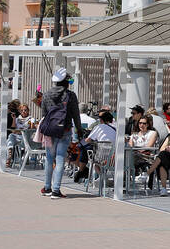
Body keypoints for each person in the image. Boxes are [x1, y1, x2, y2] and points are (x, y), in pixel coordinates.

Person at [39, 67, 84, 198]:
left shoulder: (46, 94)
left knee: (49, 159)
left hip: (50, 131)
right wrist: (79, 130)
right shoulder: (70, 95)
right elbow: (76, 115)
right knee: (59, 160)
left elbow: (44, 114)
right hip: (64, 130)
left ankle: (47, 188)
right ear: (65, 82)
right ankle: (56, 190)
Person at [73, 111, 117, 183]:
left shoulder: (99, 127)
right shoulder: (116, 128)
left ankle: (100, 176)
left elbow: (87, 140)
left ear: (101, 120)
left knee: (85, 151)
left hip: (101, 157)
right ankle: (83, 171)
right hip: (114, 158)